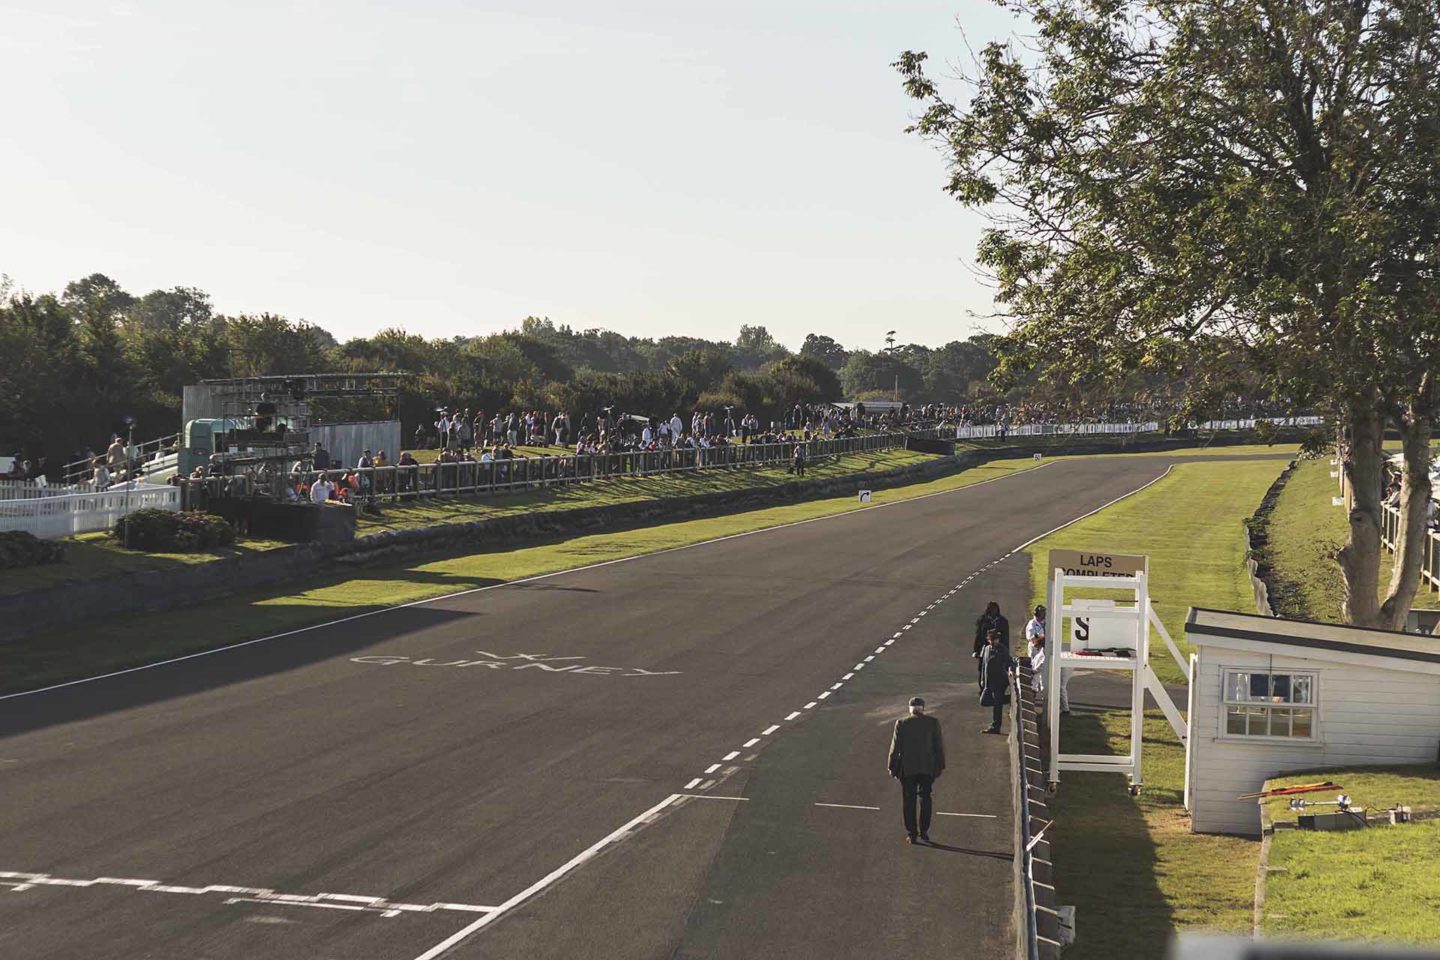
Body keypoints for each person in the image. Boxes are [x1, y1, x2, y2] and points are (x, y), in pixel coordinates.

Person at [887, 696, 945, 844]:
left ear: (910, 709)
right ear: (923, 709)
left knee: (909, 800)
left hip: (908, 769)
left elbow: (895, 748)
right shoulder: (933, 723)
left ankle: (912, 833)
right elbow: (939, 747)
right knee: (925, 798)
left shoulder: (902, 723)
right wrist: (940, 766)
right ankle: (924, 830)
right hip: (927, 767)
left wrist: (891, 766)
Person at [1026, 604, 1068, 713]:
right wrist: (1040, 638)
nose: (1043, 616)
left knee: (1045, 681)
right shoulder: (1032, 624)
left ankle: (1050, 708)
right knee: (1035, 679)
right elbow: (1032, 638)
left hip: (1045, 650)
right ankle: (1033, 705)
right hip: (1035, 651)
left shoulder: (1047, 623)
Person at [980, 629, 1017, 734]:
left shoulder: (1002, 649)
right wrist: (982, 679)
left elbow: (1010, 662)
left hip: (999, 681)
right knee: (984, 701)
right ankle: (1007, 699)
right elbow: (984, 665)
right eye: (992, 640)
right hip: (989, 682)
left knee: (997, 706)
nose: (994, 642)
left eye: (995, 639)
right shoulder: (986, 649)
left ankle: (996, 726)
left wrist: (1010, 670)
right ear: (988, 640)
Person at [973, 601, 1010, 688]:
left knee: (999, 668)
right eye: (991, 609)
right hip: (985, 647)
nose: (993, 611)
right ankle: (983, 686)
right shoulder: (982, 620)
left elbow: (1006, 638)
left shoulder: (1003, 621)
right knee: (983, 666)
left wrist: (1006, 651)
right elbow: (978, 635)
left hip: (999, 648)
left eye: (995, 609)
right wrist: (975, 650)